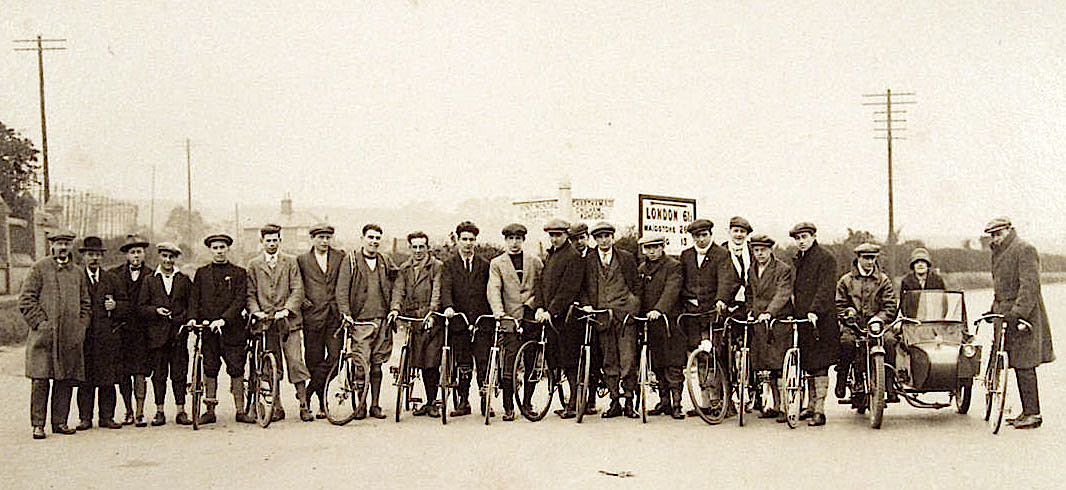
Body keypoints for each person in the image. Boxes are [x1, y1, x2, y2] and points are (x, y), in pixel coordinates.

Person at [984, 217, 1055, 429]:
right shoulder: (999, 252)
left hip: (1024, 317)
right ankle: (1027, 411)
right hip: (1006, 315)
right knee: (1014, 362)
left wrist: (1018, 313)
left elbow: (1029, 287)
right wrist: (993, 310)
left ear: (1010, 230)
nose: (996, 238)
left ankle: (1034, 413)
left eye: (999, 233)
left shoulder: (1024, 249)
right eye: (993, 235)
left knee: (1025, 363)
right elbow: (1002, 289)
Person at [20, 230, 91, 439]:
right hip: (44, 338)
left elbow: (86, 303)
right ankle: (38, 424)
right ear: (52, 246)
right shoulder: (39, 268)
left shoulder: (77, 273)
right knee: (41, 380)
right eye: (59, 244)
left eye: (67, 244)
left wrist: (81, 327)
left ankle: (60, 422)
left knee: (65, 379)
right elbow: (26, 300)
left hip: (70, 337)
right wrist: (41, 323)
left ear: (71, 247)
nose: (63, 248)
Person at [246, 224, 313, 422]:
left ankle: (303, 405)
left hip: (288, 322)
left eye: (275, 240)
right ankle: (276, 406)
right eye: (268, 240)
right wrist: (256, 312)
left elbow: (297, 289)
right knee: (270, 366)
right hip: (265, 323)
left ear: (280, 241)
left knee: (295, 361)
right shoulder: (254, 265)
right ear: (262, 242)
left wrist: (287, 309)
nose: (272, 244)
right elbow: (249, 293)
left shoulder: (291, 262)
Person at [189, 233, 253, 424]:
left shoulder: (239, 273)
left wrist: (224, 320)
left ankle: (240, 410)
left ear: (228, 249)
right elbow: (195, 298)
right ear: (210, 250)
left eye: (222, 247)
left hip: (232, 330)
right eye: (215, 248)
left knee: (236, 368)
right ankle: (210, 410)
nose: (219, 251)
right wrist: (193, 318)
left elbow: (240, 300)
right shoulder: (201, 273)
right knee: (209, 368)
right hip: (208, 330)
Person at [336, 224, 397, 420]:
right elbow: (342, 290)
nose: (374, 241)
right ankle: (359, 405)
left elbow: (398, 282)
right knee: (361, 365)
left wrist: (394, 308)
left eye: (378, 238)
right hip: (360, 322)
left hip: (382, 320)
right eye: (370, 237)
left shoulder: (385, 261)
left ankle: (375, 405)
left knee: (378, 364)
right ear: (362, 238)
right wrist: (346, 313)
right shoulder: (351, 261)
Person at [583, 222, 642, 419]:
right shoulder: (589, 260)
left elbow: (636, 285)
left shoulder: (625, 257)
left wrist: (632, 307)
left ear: (612, 237)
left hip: (625, 316)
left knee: (628, 359)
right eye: (599, 237)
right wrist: (588, 305)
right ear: (595, 239)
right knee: (609, 360)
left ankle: (629, 401)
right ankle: (614, 401)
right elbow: (584, 287)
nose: (604, 240)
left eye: (607, 235)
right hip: (602, 316)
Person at [486, 223, 543, 421]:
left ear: (523, 240)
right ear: (505, 240)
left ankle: (527, 403)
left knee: (531, 361)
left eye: (518, 238)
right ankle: (508, 406)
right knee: (509, 362)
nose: (514, 242)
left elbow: (542, 287)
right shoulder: (497, 263)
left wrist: (532, 304)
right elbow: (494, 289)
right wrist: (499, 313)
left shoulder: (534, 261)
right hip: (509, 319)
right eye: (510, 239)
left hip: (531, 318)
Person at [677, 219, 733, 416]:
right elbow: (679, 281)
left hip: (712, 314)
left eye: (704, 235)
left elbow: (727, 280)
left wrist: (721, 300)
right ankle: (704, 402)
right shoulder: (686, 256)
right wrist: (685, 300)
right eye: (696, 236)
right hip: (692, 314)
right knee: (698, 356)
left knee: (714, 355)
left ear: (711, 235)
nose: (700, 239)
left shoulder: (721, 255)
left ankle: (719, 401)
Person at [532, 218, 585, 419]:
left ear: (566, 235)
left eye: (558, 235)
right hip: (550, 317)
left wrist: (551, 311)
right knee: (554, 358)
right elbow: (541, 284)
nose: (554, 239)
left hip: (567, 318)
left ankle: (573, 403)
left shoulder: (573, 256)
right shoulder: (551, 255)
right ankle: (565, 401)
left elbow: (568, 289)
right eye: (551, 235)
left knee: (569, 361)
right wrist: (539, 307)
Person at [835, 242, 899, 405]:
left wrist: (879, 318)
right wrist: (848, 313)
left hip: (877, 325)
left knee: (890, 342)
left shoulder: (883, 281)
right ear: (858, 258)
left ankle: (889, 382)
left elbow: (891, 305)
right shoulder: (846, 281)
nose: (870, 262)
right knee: (847, 343)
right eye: (866, 258)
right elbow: (839, 304)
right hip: (853, 325)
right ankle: (842, 376)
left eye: (872, 258)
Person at [389, 231, 444, 417]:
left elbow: (437, 291)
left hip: (431, 320)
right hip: (413, 319)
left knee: (431, 363)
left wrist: (432, 313)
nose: (418, 250)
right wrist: (395, 309)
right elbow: (399, 291)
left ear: (427, 247)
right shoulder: (404, 269)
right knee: (414, 359)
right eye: (415, 247)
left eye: (422, 246)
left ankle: (431, 402)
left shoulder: (436, 267)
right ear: (410, 248)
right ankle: (411, 390)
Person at [137, 242, 193, 426]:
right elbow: (141, 307)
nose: (168, 260)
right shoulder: (149, 280)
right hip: (157, 336)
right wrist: (155, 311)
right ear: (159, 257)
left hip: (178, 335)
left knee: (179, 373)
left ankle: (181, 410)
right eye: (164, 256)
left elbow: (191, 306)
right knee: (159, 374)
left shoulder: (183, 279)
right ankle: (159, 410)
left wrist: (182, 318)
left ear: (175, 259)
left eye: (171, 257)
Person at [440, 221, 492, 417]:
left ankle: (485, 401)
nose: (468, 243)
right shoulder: (449, 265)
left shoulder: (485, 265)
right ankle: (463, 401)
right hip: (459, 321)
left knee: (483, 361)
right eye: (464, 239)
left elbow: (490, 291)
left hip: (481, 322)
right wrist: (448, 307)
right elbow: (446, 289)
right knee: (462, 363)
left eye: (471, 240)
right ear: (458, 240)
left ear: (476, 241)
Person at [789, 222, 838, 426]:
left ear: (813, 236)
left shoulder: (826, 258)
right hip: (804, 320)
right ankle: (810, 406)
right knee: (807, 363)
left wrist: (814, 310)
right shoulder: (800, 259)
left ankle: (820, 409)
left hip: (821, 320)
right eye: (798, 238)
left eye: (804, 237)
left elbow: (825, 289)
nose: (801, 242)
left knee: (820, 365)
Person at [75, 236, 124, 431]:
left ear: (102, 257)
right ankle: (85, 418)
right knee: (85, 380)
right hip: (85, 337)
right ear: (84, 257)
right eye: (90, 255)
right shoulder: (77, 278)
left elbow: (127, 305)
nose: (94, 258)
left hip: (106, 337)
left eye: (97, 255)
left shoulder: (112, 279)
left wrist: (116, 306)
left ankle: (107, 417)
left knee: (107, 380)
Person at [296, 223, 345, 419]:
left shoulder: (340, 257)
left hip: (334, 316)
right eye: (320, 238)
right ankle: (322, 404)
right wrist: (303, 300)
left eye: (327, 238)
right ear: (313, 239)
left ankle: (308, 393)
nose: (324, 241)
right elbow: (297, 284)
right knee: (313, 361)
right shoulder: (302, 260)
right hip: (312, 316)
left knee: (336, 359)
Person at [744, 233, 794, 422]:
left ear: (770, 250)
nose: (760, 254)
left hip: (777, 322)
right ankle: (772, 404)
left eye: (763, 250)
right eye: (756, 250)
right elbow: (750, 292)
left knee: (780, 365)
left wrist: (770, 312)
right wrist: (750, 310)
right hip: (759, 323)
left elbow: (783, 293)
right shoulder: (752, 269)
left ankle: (784, 407)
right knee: (766, 366)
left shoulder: (783, 269)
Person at [635, 234, 685, 419]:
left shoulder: (673, 266)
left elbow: (672, 290)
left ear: (662, 247)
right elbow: (638, 293)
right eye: (648, 248)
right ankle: (664, 401)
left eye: (655, 247)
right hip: (650, 323)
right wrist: (635, 312)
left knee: (673, 364)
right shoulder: (642, 268)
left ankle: (677, 403)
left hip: (670, 322)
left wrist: (659, 309)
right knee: (657, 363)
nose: (652, 251)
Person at [111, 234, 152, 426]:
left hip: (143, 332)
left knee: (140, 372)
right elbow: (109, 303)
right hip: (122, 331)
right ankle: (127, 409)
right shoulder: (114, 275)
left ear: (144, 254)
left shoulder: (152, 275)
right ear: (126, 255)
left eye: (139, 252)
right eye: (132, 252)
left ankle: (140, 411)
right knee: (123, 373)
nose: (136, 256)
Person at [721, 216, 754, 314]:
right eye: (736, 231)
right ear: (729, 232)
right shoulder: (722, 251)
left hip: (751, 301)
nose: (739, 234)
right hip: (729, 302)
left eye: (742, 231)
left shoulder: (753, 250)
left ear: (747, 234)